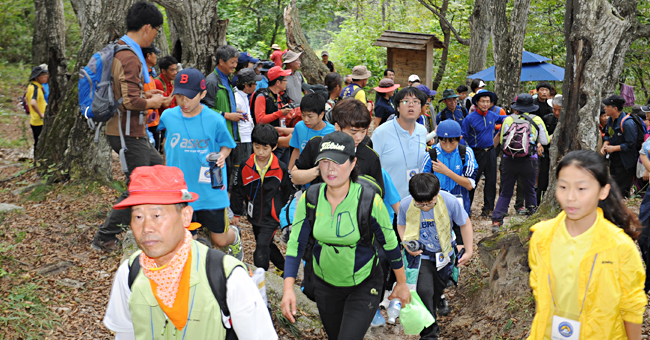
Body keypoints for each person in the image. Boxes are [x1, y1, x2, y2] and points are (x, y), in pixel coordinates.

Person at [103, 165, 278, 339]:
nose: (146, 227)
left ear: (186, 216)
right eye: (138, 217)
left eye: (157, 215)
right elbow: (125, 334)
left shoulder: (227, 276)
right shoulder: (130, 273)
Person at [281, 132, 411, 339]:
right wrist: (288, 288)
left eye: (338, 161)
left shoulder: (369, 201)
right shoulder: (310, 198)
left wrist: (402, 283)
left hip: (364, 283)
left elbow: (390, 243)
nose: (330, 168)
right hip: (325, 284)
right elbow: (296, 244)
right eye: (324, 161)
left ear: (352, 163)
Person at [527, 150, 646, 340]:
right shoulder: (541, 236)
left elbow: (631, 307)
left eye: (581, 189)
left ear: (603, 191)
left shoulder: (619, 246)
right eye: (563, 187)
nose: (570, 197)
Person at [91, 1, 166, 252]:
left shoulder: (121, 50)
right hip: (127, 133)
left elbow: (126, 92)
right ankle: (105, 236)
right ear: (147, 28)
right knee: (139, 186)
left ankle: (151, 222)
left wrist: (149, 93)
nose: (155, 35)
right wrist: (152, 101)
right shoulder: (130, 56)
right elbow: (131, 101)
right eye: (156, 29)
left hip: (131, 131)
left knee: (159, 173)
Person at [157, 68, 243, 260]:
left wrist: (222, 155)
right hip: (181, 191)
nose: (183, 101)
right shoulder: (168, 117)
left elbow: (227, 145)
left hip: (209, 191)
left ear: (203, 94)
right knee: (188, 237)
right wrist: (166, 170)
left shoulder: (215, 120)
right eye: (179, 96)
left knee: (220, 239)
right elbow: (166, 143)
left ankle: (235, 238)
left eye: (189, 96)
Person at [397, 172, 473, 340]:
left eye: (429, 203)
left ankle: (433, 312)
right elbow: (401, 225)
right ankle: (429, 334)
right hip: (421, 256)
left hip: (444, 254)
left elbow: (464, 223)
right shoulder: (406, 205)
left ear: (437, 192)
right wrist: (406, 243)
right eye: (420, 204)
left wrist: (469, 250)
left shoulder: (450, 201)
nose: (425, 207)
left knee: (437, 290)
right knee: (424, 291)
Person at [231, 124, 291, 273]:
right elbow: (239, 189)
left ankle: (261, 276)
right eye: (257, 147)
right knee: (266, 243)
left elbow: (287, 192)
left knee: (261, 247)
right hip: (254, 214)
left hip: (272, 216)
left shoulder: (280, 168)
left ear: (274, 147)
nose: (261, 152)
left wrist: (283, 213)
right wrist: (236, 213)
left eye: (265, 148)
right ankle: (285, 268)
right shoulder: (246, 165)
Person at [292, 99, 384, 193]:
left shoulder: (370, 156)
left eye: (363, 131)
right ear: (337, 127)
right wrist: (321, 170)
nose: (359, 138)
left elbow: (378, 192)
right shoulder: (317, 145)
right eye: (353, 132)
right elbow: (295, 178)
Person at [492, 94, 549, 232]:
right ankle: (532, 222)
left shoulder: (508, 119)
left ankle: (497, 221)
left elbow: (502, 140)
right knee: (530, 190)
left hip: (509, 160)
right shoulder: (537, 120)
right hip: (529, 161)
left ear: (516, 107)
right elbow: (545, 140)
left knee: (506, 191)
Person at [372, 87, 429, 200]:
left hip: (416, 201)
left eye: (416, 102)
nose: (411, 105)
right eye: (405, 101)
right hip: (388, 203)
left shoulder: (422, 131)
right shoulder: (381, 133)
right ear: (397, 107)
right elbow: (371, 168)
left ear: (421, 108)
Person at [421, 119, 478, 230]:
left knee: (460, 241)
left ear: (460, 138)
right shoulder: (430, 155)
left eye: (452, 142)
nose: (447, 146)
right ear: (439, 139)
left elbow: (469, 185)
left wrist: (446, 171)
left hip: (460, 207)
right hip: (436, 209)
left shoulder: (466, 153)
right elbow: (423, 186)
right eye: (443, 142)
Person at [202, 45, 245, 188]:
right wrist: (227, 115)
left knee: (229, 175)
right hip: (217, 138)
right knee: (218, 177)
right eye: (232, 62)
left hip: (230, 135)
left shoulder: (227, 79)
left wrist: (235, 112)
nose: (235, 65)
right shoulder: (211, 81)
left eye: (236, 62)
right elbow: (204, 109)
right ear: (221, 61)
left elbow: (223, 103)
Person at [461, 89, 505, 217]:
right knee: (472, 181)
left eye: (488, 101)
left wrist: (518, 116)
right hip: (476, 153)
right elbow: (463, 135)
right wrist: (464, 151)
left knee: (491, 180)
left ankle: (488, 209)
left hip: (491, 151)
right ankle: (466, 209)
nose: (486, 104)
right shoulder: (469, 118)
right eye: (483, 101)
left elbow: (503, 119)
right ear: (477, 103)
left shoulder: (491, 115)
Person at [600, 94, 641, 198]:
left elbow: (630, 144)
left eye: (607, 106)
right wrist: (605, 145)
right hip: (614, 160)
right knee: (613, 188)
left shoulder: (627, 123)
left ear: (615, 108)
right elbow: (608, 136)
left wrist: (613, 148)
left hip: (626, 163)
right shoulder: (610, 120)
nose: (605, 108)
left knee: (620, 192)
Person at [288, 92, 335, 169]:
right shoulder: (299, 126)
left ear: (321, 115)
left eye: (310, 116)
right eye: (303, 115)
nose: (306, 120)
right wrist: (289, 170)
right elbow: (296, 150)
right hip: (301, 173)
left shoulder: (332, 131)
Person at [142, 43, 169, 152]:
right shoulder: (140, 75)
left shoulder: (150, 74)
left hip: (154, 120)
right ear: (148, 56)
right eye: (155, 54)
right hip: (145, 122)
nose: (156, 57)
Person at [537, 94, 562, 205]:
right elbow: (538, 135)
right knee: (543, 179)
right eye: (554, 109)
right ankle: (538, 204)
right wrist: (539, 144)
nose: (556, 112)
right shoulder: (547, 118)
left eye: (559, 110)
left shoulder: (569, 120)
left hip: (562, 155)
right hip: (546, 154)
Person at [235, 68, 262, 164]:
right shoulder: (237, 99)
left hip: (248, 137)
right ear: (246, 85)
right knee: (239, 168)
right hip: (242, 139)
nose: (256, 85)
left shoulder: (244, 96)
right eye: (254, 83)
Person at [152, 55, 178, 152]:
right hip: (161, 127)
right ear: (163, 71)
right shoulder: (158, 83)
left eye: (176, 70)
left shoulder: (170, 82)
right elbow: (165, 104)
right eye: (172, 70)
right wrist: (176, 89)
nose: (175, 73)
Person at [27, 65, 48, 150]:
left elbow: (26, 99)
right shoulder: (35, 88)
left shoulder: (32, 86)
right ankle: (37, 161)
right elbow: (33, 103)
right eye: (42, 75)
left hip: (36, 120)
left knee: (38, 142)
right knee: (39, 144)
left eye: (45, 74)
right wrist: (41, 114)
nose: (45, 76)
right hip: (39, 121)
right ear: (37, 77)